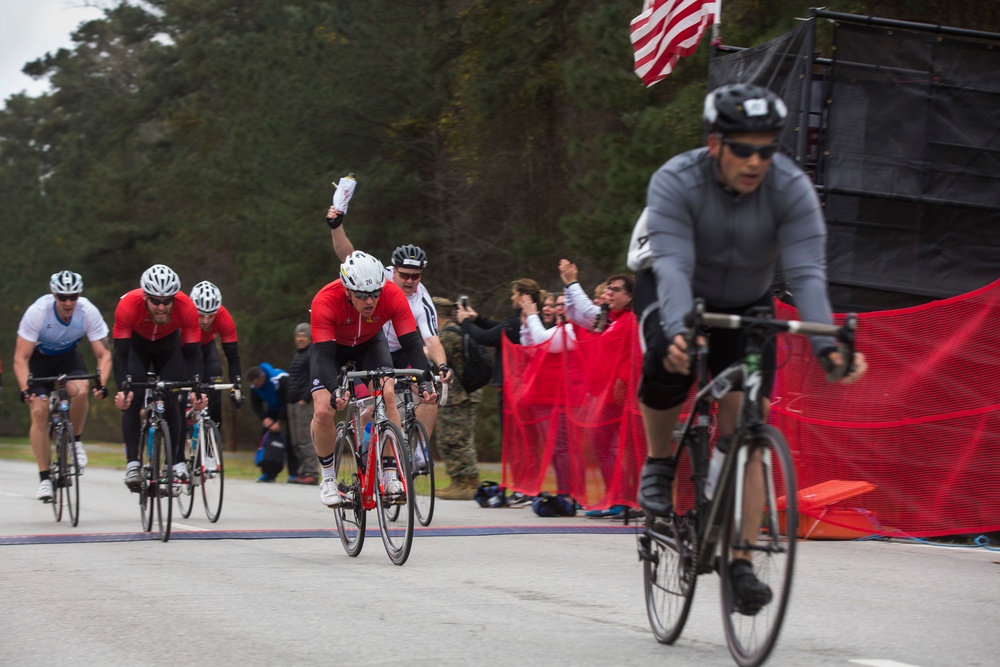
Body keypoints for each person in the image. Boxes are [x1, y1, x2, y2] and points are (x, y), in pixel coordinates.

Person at [633, 83, 868, 614]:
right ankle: (660, 461)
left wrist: (828, 346)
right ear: (715, 144)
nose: (757, 160)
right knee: (668, 362)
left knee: (752, 423)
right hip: (677, 287)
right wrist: (677, 330)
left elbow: (807, 273)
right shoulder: (676, 180)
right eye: (744, 148)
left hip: (746, 297)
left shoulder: (790, 188)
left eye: (768, 148)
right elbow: (670, 266)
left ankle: (739, 560)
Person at [310, 250, 436, 508]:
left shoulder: (391, 293)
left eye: (375, 293)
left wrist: (424, 380)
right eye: (362, 295)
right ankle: (329, 478)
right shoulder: (325, 300)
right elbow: (323, 357)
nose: (370, 301)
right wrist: (335, 390)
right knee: (324, 410)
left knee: (388, 395)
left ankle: (389, 472)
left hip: (370, 346)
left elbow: (411, 342)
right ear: (347, 289)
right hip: (333, 351)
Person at [325, 214, 453, 441]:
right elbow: (348, 257)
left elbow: (432, 339)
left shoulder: (422, 299)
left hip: (401, 353)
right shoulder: (376, 277)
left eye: (416, 276)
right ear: (393, 270)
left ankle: (418, 452)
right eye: (404, 275)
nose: (410, 281)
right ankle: (365, 456)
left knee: (429, 394)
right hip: (369, 349)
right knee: (371, 406)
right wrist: (337, 226)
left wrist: (442, 365)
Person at [14, 271, 112, 501]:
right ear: (54, 295)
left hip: (68, 357)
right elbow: (20, 358)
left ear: (79, 295)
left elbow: (104, 354)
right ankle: (45, 478)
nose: (68, 302)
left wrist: (102, 384)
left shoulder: (87, 311)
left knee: (81, 391)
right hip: (39, 360)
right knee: (39, 411)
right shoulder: (38, 313)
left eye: (73, 296)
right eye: (62, 297)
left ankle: (75, 442)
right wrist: (24, 388)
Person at [113, 264, 207, 493]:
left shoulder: (186, 307)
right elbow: (120, 354)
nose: (162, 307)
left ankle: (174, 462)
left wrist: (197, 389)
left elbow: (194, 354)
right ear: (145, 296)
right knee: (133, 401)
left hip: (168, 348)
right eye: (155, 301)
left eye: (167, 301)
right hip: (137, 348)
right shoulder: (127, 306)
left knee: (172, 401)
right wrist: (122, 390)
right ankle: (133, 464)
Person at [455, 279, 536, 433]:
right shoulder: (522, 321)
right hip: (519, 387)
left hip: (512, 391)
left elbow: (485, 337)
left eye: (514, 294)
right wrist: (477, 319)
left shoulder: (518, 322)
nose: (512, 298)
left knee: (512, 437)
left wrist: (465, 322)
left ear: (523, 296)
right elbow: (501, 328)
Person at [431, 297, 483, 500]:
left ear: (435, 314)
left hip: (456, 396)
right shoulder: (458, 330)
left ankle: (461, 483)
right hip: (467, 394)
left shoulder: (447, 336)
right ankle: (470, 482)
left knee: (451, 440)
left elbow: (431, 357)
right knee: (464, 439)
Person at [189, 280, 245, 426]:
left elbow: (233, 357)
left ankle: (212, 443)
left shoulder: (224, 317)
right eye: (201, 315)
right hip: (185, 352)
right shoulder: (184, 314)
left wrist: (236, 386)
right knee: (181, 395)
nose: (206, 321)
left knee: (215, 397)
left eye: (211, 315)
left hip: (207, 349)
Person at [246, 363, 296, 482]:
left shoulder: (278, 379)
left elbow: (286, 400)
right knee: (266, 438)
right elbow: (255, 404)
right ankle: (268, 473)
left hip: (289, 407)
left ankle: (294, 473)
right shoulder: (254, 387)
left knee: (291, 440)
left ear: (262, 377)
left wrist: (279, 421)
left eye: (256, 383)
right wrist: (264, 418)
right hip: (272, 409)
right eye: (253, 384)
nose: (255, 386)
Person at [559, 261, 634, 334]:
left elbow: (586, 309)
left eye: (616, 290)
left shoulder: (634, 319)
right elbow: (573, 314)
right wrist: (568, 285)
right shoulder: (605, 315)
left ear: (630, 296)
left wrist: (572, 283)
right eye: (610, 289)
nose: (609, 293)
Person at [286, 323, 319, 485]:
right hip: (293, 403)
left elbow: (314, 377)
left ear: (310, 337)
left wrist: (305, 398)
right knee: (296, 441)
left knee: (306, 439)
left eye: (304, 336)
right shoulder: (299, 354)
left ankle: (311, 472)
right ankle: (303, 471)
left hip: (304, 403)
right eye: (298, 336)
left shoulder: (311, 353)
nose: (300, 339)